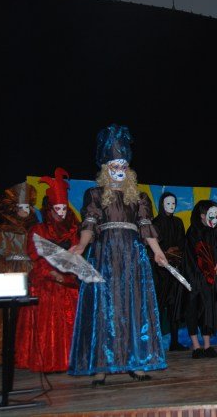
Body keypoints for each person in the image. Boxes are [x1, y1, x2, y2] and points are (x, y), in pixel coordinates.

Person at [68, 124, 168, 386]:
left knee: (134, 307)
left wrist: (158, 253)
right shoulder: (95, 194)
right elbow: (90, 223)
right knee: (105, 308)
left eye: (123, 165)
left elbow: (145, 227)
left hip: (133, 257)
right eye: (114, 165)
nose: (120, 170)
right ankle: (102, 365)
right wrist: (81, 246)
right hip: (105, 255)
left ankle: (136, 361)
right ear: (106, 168)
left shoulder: (139, 197)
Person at [16, 168, 80, 372]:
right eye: (57, 208)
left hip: (67, 283)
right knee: (48, 325)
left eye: (64, 208)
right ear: (49, 209)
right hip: (46, 284)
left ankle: (70, 360)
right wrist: (53, 273)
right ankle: (47, 360)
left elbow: (76, 255)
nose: (61, 213)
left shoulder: (73, 231)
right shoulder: (38, 230)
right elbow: (36, 256)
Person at [0, 182, 38, 364]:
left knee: (28, 313)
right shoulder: (4, 231)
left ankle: (26, 354)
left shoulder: (34, 230)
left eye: (27, 207)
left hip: (30, 272)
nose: (24, 211)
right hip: (10, 272)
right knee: (6, 314)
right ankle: (2, 354)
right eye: (21, 207)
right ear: (14, 208)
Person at [183, 200, 217, 359]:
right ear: (202, 216)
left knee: (209, 309)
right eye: (211, 215)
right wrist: (216, 271)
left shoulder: (214, 233)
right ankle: (196, 346)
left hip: (210, 279)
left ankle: (207, 346)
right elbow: (199, 257)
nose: (215, 219)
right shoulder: (192, 232)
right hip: (195, 278)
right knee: (193, 309)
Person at [152, 192, 189, 352]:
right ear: (162, 204)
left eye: (174, 203)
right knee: (159, 306)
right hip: (160, 271)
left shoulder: (178, 222)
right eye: (168, 203)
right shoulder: (155, 223)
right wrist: (165, 255)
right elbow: (152, 247)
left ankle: (174, 342)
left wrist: (176, 256)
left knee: (174, 305)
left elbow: (183, 244)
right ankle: (156, 344)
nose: (171, 206)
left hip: (175, 270)